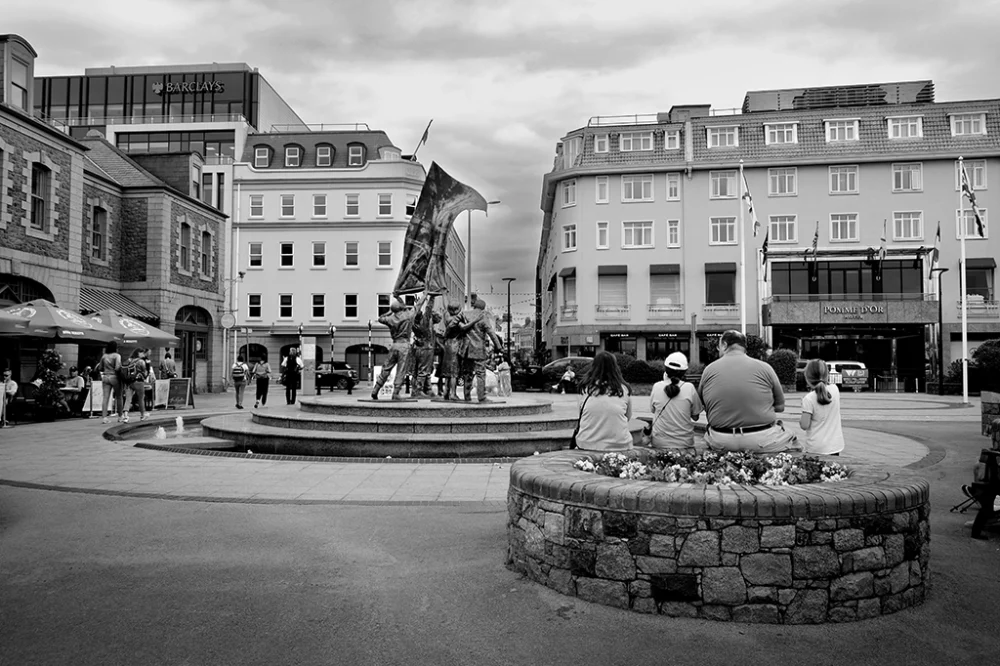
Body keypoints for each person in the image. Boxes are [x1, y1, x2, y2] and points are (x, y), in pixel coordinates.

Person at [698, 330, 800, 453]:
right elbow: (780, 407)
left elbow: (701, 404)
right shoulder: (765, 368)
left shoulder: (708, 370)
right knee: (790, 435)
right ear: (743, 346)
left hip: (721, 440)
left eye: (718, 346)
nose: (718, 349)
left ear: (724, 345)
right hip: (762, 440)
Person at [574, 351, 633, 452]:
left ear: (594, 367)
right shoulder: (624, 389)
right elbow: (627, 416)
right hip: (620, 444)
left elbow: (582, 415)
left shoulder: (585, 389)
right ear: (615, 367)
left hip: (587, 443)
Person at [647, 352, 704, 451]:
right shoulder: (689, 388)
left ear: (665, 370)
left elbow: (653, 410)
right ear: (684, 372)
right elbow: (695, 417)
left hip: (659, 442)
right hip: (685, 443)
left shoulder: (657, 387)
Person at [371, 297, 416, 401]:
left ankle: (376, 389)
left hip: (394, 345)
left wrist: (390, 311)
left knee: (386, 368)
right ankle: (396, 392)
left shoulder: (390, 319)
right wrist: (423, 297)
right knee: (401, 370)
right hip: (404, 345)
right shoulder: (408, 316)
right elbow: (417, 308)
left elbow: (380, 318)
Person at [461, 299, 503, 403]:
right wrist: (499, 346)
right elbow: (491, 333)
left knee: (467, 373)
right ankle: (481, 397)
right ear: (483, 308)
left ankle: (467, 396)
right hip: (478, 349)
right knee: (480, 373)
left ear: (474, 306)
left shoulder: (465, 314)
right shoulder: (483, 316)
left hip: (466, 348)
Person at [800, 359, 845, 456]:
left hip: (815, 447)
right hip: (834, 446)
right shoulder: (835, 390)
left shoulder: (808, 399)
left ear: (807, 378)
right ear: (826, 375)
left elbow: (804, 425)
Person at [410, 294, 439, 399]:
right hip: (426, 347)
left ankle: (427, 389)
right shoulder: (425, 322)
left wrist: (419, 302)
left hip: (417, 347)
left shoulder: (413, 323)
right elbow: (429, 308)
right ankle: (418, 390)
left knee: (418, 370)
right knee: (424, 370)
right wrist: (432, 296)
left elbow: (417, 310)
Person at [440, 302, 466, 401]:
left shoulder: (446, 316)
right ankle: (453, 394)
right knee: (454, 372)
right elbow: (464, 327)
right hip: (455, 344)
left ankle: (446, 392)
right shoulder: (456, 320)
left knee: (447, 371)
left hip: (447, 345)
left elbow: (445, 302)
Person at [97, 341, 123, 424]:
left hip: (105, 377)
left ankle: (104, 417)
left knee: (105, 397)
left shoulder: (104, 356)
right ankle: (120, 416)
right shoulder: (117, 356)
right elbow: (118, 367)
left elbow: (100, 367)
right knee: (119, 396)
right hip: (114, 377)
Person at [120, 348, 149, 423]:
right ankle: (142, 415)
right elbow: (145, 373)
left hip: (129, 382)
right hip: (139, 382)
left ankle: (125, 416)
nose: (143, 354)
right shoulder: (141, 361)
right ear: (138, 353)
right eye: (142, 353)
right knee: (141, 399)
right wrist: (148, 366)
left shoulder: (129, 360)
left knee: (128, 399)